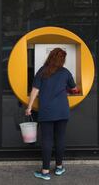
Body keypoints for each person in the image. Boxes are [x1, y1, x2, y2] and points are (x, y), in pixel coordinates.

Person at [25, 48, 78, 181]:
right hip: (62, 110)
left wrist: (29, 107)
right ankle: (59, 167)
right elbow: (74, 88)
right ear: (62, 60)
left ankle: (45, 171)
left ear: (50, 57)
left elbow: (35, 90)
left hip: (47, 111)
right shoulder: (65, 72)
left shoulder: (43, 71)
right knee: (60, 139)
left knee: (47, 141)